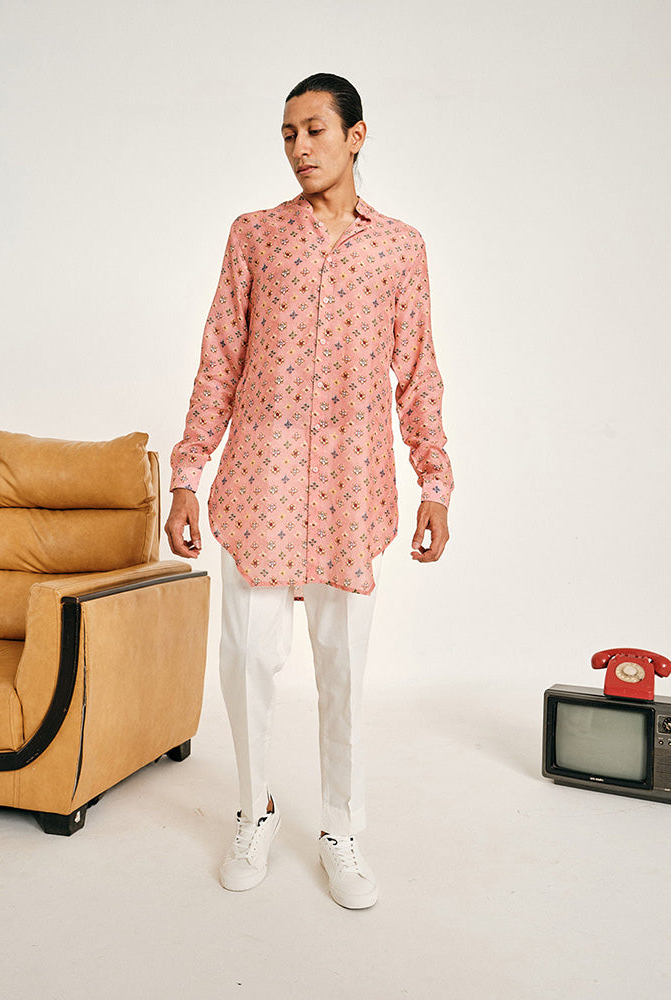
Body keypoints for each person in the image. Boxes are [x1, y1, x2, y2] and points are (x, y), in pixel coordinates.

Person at [165, 72, 453, 910]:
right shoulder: (255, 235)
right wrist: (187, 475)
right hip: (259, 483)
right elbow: (220, 358)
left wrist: (435, 481)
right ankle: (254, 810)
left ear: (356, 136)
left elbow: (418, 370)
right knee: (248, 661)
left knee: (344, 668)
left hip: (349, 490)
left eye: (315, 130)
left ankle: (341, 828)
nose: (299, 148)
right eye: (288, 133)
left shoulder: (399, 248)